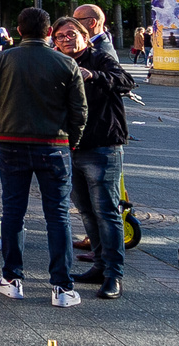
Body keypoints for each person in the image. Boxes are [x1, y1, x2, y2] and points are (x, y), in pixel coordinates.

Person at [0, 7, 88, 308]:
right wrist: (71, 143)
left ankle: (12, 278)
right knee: (58, 216)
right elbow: (80, 110)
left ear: (18, 31)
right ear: (49, 31)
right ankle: (62, 286)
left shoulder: (1, 59)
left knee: (14, 212)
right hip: (55, 143)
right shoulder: (65, 63)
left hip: (11, 141)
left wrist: (7, 109)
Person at [53, 15, 133, 300]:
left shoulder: (99, 58)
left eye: (71, 34)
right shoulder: (56, 62)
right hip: (69, 145)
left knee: (107, 211)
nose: (66, 40)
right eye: (60, 36)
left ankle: (114, 274)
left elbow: (126, 81)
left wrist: (94, 75)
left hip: (102, 144)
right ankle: (99, 265)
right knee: (85, 210)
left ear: (86, 37)